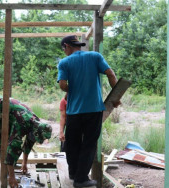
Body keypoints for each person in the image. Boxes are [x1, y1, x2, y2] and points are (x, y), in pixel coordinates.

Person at [57, 35, 120, 188]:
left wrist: (73, 90)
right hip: (93, 110)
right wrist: (116, 96)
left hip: (73, 111)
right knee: (89, 144)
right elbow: (111, 74)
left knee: (72, 143)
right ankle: (81, 178)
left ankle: (75, 174)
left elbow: (63, 85)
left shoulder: (64, 62)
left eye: (63, 49)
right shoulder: (95, 56)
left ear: (66, 46)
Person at [0, 95, 52, 188]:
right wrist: (12, 176)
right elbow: (13, 148)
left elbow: (29, 141)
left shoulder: (36, 123)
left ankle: (8, 167)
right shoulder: (22, 123)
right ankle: (5, 171)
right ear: (37, 132)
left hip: (8, 111)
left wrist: (24, 162)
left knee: (9, 139)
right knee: (2, 140)